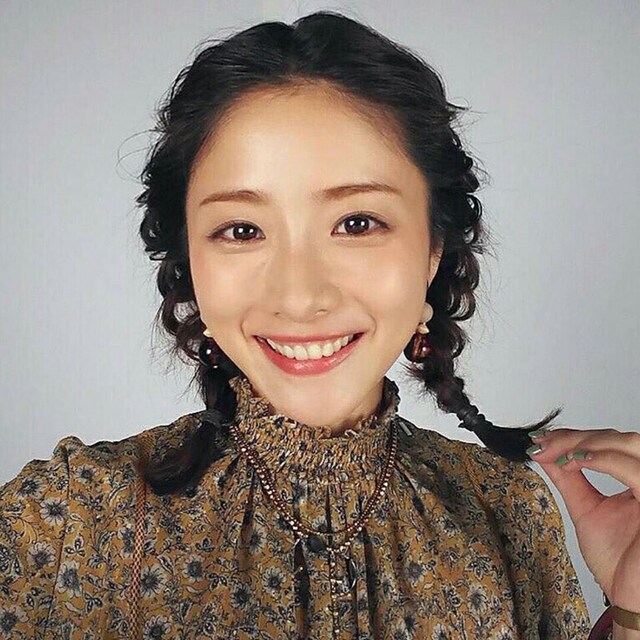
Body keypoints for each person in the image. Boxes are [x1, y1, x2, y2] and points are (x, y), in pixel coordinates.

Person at [1, 10, 638, 640]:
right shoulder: (64, 525)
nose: (300, 297)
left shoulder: (507, 514)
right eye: (241, 230)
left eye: (357, 223)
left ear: (433, 249)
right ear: (189, 259)